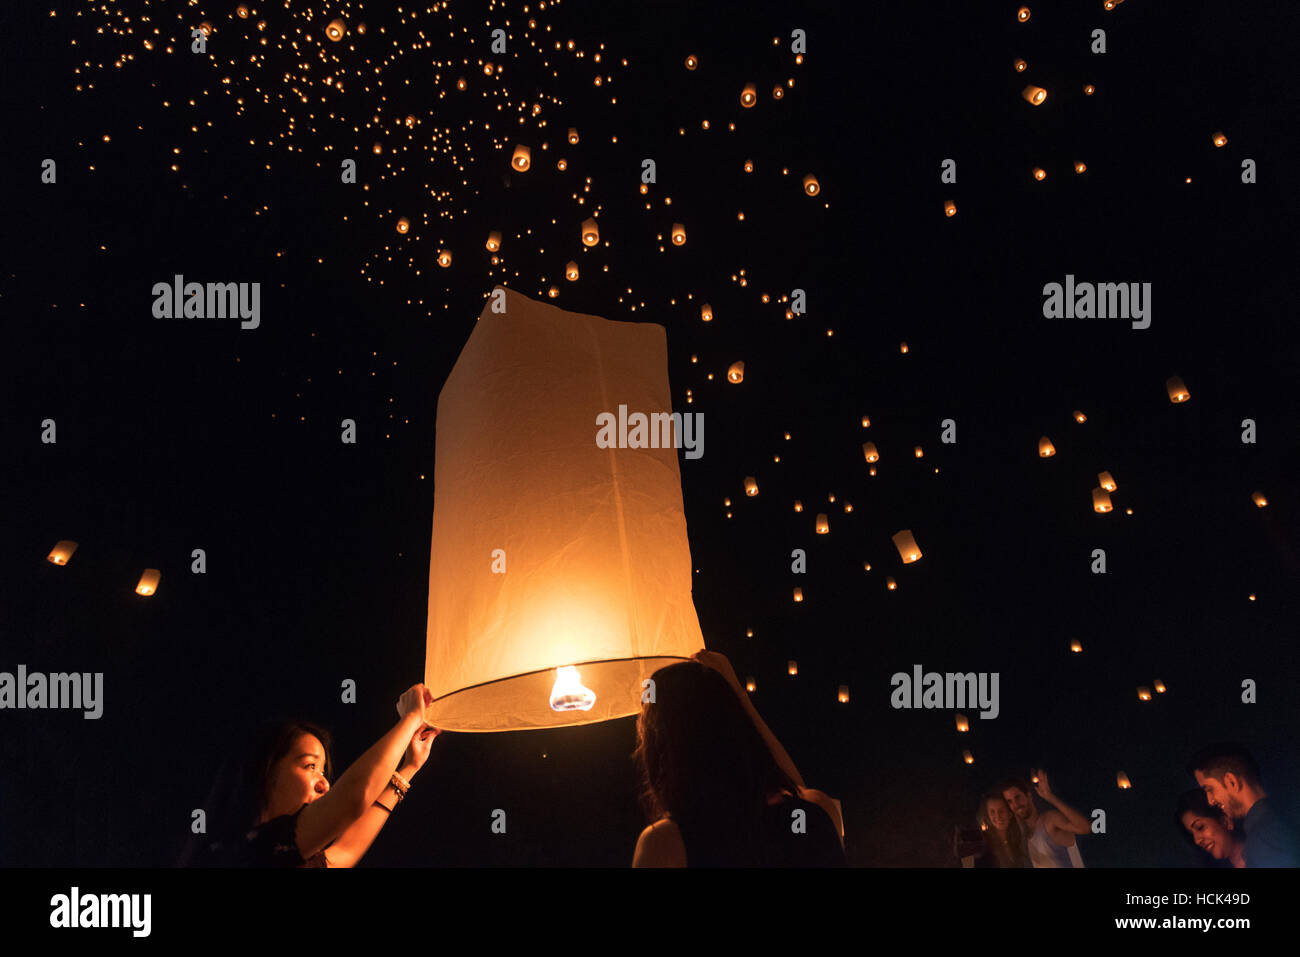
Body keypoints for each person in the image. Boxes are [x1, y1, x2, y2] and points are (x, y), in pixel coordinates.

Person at [181, 683, 438, 867]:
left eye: (323, 770)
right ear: (266, 773)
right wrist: (411, 718)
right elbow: (352, 798)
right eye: (310, 766)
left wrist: (409, 767)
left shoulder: (287, 854)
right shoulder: (238, 855)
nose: (325, 784)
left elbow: (346, 850)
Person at [631, 650, 845, 867]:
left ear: (662, 747)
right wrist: (737, 694)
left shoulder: (665, 844)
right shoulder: (816, 811)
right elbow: (795, 790)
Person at [1187, 742, 1300, 868]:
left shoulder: (1264, 836)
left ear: (1231, 782)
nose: (1210, 801)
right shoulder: (1279, 820)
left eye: (1209, 789)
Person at [1000, 770, 1090, 868]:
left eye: (1017, 797)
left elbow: (1085, 828)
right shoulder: (1026, 837)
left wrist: (1050, 797)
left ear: (1029, 795)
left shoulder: (1049, 820)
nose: (1015, 805)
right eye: (1010, 801)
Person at [1175, 788, 1245, 868]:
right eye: (1191, 834)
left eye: (1200, 827)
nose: (1197, 841)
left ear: (1225, 821)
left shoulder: (1260, 846)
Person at [975, 791, 1028, 868]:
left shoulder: (1018, 840)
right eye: (992, 812)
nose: (997, 816)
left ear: (1010, 813)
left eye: (1001, 811)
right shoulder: (983, 844)